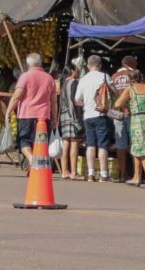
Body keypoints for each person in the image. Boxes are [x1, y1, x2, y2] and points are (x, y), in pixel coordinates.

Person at [114, 68, 145, 188]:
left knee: (143, 152)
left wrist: (128, 102)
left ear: (130, 80)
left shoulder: (130, 89)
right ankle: (136, 177)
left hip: (137, 121)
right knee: (136, 149)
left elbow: (117, 104)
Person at [4, 52, 56, 156]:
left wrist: (8, 112)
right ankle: (35, 167)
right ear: (40, 64)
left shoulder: (25, 77)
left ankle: (32, 160)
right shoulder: (49, 78)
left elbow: (16, 96)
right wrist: (55, 118)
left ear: (28, 65)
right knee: (41, 143)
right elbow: (53, 101)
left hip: (26, 116)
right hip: (44, 117)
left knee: (24, 141)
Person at [75, 54, 114, 182]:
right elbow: (114, 92)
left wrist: (86, 104)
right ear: (100, 65)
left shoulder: (83, 79)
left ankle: (90, 174)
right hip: (101, 114)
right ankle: (104, 174)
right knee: (102, 145)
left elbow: (77, 100)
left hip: (88, 115)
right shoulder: (104, 76)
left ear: (88, 66)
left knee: (90, 144)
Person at [108, 55, 136, 183]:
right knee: (135, 143)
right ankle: (137, 174)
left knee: (120, 145)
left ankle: (123, 174)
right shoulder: (134, 74)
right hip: (132, 113)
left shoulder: (113, 77)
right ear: (131, 63)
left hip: (117, 114)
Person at [58, 58, 85, 179]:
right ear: (73, 71)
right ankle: (73, 172)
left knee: (65, 143)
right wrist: (78, 118)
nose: (78, 71)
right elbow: (75, 102)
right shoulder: (74, 82)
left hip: (63, 116)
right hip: (72, 115)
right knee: (74, 143)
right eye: (77, 69)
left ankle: (64, 171)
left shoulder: (63, 84)